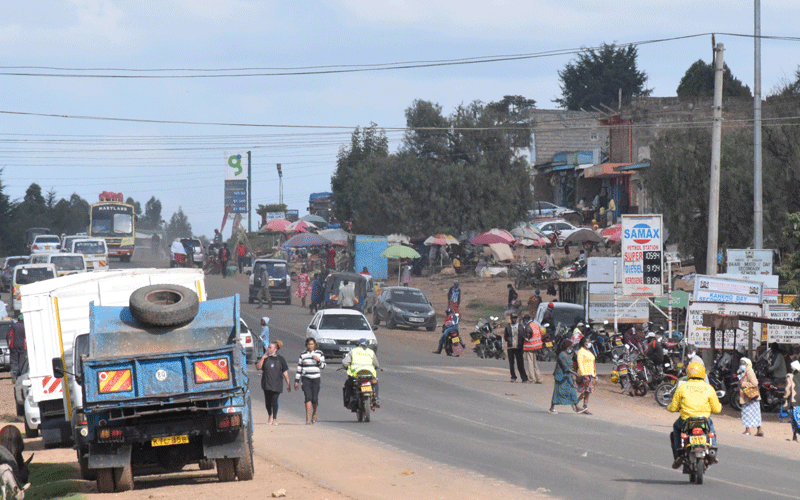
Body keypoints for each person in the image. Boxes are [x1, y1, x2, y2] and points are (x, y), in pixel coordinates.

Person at [666, 361, 721, 469]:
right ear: (703, 373)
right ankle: (712, 449)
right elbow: (717, 409)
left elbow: (673, 407)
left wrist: (668, 407)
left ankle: (679, 452)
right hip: (704, 420)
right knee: (711, 430)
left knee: (676, 428)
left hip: (686, 420)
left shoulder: (682, 387)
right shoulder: (709, 388)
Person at [256, 340, 290, 425]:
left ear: (275, 349)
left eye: (270, 348)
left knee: (275, 401)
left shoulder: (281, 359)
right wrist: (262, 358)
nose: (269, 349)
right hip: (266, 383)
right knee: (268, 401)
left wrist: (288, 383)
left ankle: (274, 418)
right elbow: (258, 367)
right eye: (268, 347)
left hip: (277, 384)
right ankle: (269, 415)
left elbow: (285, 372)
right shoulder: (266, 358)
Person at [295, 338, 326, 424]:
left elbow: (323, 366)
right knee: (308, 397)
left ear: (315, 345)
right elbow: (299, 368)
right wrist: (296, 380)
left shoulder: (320, 353)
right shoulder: (303, 354)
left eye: (312, 344)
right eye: (309, 344)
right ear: (306, 345)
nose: (310, 346)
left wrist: (318, 360)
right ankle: (307, 419)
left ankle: (314, 412)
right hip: (306, 378)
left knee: (314, 399)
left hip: (316, 378)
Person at [342, 338, 380, 408]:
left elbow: (345, 363)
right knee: (375, 382)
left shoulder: (353, 351)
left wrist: (345, 367)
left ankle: (350, 399)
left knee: (348, 383)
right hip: (370, 374)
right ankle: (375, 399)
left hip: (357, 374)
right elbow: (377, 365)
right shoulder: (371, 352)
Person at [549, 339, 584, 414]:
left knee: (572, 391)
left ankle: (577, 407)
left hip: (568, 376)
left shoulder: (569, 355)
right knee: (558, 392)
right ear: (567, 347)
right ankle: (552, 408)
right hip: (561, 376)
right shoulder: (561, 355)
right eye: (571, 347)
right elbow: (566, 367)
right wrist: (576, 374)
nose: (572, 348)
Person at [737, 357, 764, 437]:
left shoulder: (749, 371)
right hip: (747, 396)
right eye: (740, 363)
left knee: (753, 413)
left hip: (751, 397)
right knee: (747, 413)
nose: (741, 365)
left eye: (743, 363)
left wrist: (744, 384)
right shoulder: (742, 372)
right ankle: (749, 430)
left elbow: (755, 383)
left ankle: (758, 429)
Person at [504, 313, 528, 383]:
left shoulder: (520, 326)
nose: (514, 319)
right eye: (512, 318)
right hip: (510, 347)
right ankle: (513, 377)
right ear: (511, 319)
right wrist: (509, 340)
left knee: (520, 363)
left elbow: (523, 336)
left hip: (519, 347)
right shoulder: (508, 327)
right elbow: (505, 336)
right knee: (511, 363)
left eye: (515, 318)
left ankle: (524, 378)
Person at [575, 336, 597, 413]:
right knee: (585, 391)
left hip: (590, 373)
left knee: (588, 391)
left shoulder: (589, 351)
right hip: (585, 374)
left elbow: (592, 362)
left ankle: (585, 406)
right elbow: (580, 363)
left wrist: (594, 373)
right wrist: (583, 374)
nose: (589, 343)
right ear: (584, 343)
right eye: (587, 342)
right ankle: (575, 402)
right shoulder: (581, 351)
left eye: (590, 341)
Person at [521, 314, 543, 384]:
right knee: (535, 363)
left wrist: (522, 336)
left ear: (526, 320)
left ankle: (532, 379)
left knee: (530, 363)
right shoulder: (535, 325)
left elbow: (527, 338)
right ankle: (538, 378)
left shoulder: (528, 326)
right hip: (536, 346)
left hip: (530, 347)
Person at [784, 360, 800, 441]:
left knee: (794, 419)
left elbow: (788, 389)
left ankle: (794, 436)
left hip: (794, 401)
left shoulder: (790, 376)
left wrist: (785, 397)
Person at [8, 315, 26, 379]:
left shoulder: (13, 326)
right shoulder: (26, 326)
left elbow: (8, 335)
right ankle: (21, 374)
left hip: (14, 346)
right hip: (23, 346)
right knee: (22, 360)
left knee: (14, 360)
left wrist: (8, 345)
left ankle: (15, 375)